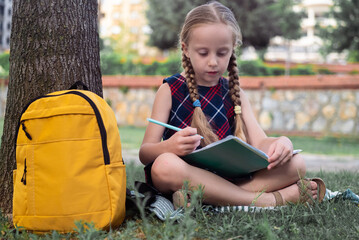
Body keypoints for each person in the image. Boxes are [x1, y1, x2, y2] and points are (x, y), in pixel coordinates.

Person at [139, 1, 325, 207]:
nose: (213, 62)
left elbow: (260, 143)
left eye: (221, 53)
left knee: (296, 163)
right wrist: (170, 146)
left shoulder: (235, 93)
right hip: (183, 174)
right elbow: (145, 153)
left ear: (232, 49)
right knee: (164, 165)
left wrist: (283, 143)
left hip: (230, 178)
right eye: (203, 53)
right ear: (185, 49)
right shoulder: (170, 89)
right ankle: (268, 200)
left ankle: (208, 199)